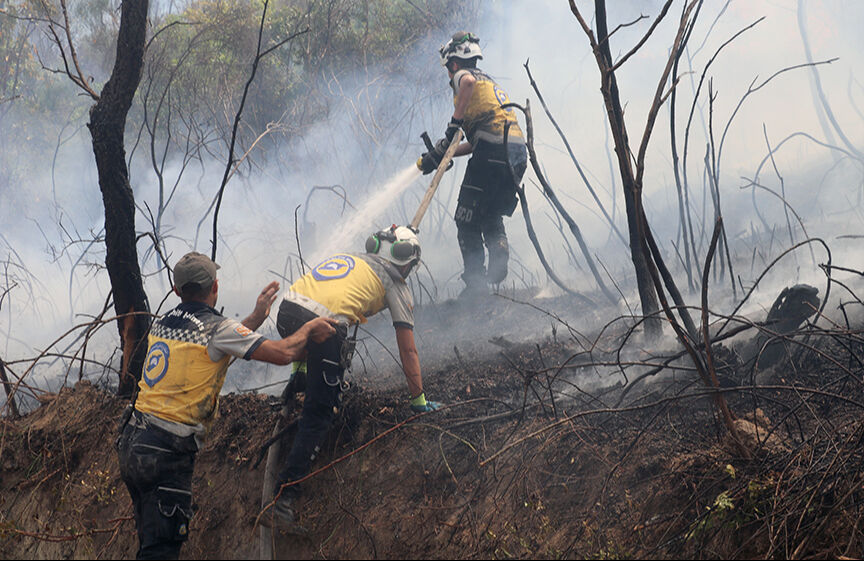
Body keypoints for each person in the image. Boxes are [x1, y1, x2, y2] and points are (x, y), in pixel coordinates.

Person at [116, 251, 336, 559]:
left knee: (150, 542)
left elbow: (218, 347)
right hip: (165, 454)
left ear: (177, 290)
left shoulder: (164, 322)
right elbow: (284, 353)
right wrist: (311, 328)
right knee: (160, 551)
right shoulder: (217, 329)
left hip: (132, 444)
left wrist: (258, 315)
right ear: (215, 287)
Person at [265, 225, 442, 532]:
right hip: (324, 328)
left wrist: (300, 368)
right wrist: (419, 400)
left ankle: (300, 378)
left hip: (286, 312)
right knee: (321, 413)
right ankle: (283, 500)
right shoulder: (395, 282)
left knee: (315, 349)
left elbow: (307, 312)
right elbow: (408, 347)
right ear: (407, 260)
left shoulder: (351, 258)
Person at [417, 31, 528, 296]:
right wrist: (443, 155)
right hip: (515, 154)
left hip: (491, 151)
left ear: (453, 62)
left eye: (448, 68)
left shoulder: (463, 76)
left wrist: (454, 124)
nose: (449, 74)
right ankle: (498, 250)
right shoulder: (488, 83)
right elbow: (477, 142)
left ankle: (476, 286)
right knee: (489, 214)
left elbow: (465, 82)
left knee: (465, 218)